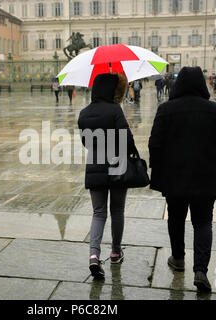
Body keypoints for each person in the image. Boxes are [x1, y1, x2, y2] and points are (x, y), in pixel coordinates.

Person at [148, 67, 216, 292]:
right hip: (206, 177)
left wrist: (157, 171)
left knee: (176, 219)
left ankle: (178, 259)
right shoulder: (215, 110)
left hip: (174, 177)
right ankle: (200, 271)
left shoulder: (165, 109)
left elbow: (154, 144)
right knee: (203, 222)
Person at [78, 73, 138, 280]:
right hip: (117, 163)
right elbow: (126, 139)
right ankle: (115, 252)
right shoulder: (115, 110)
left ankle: (94, 255)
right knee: (117, 210)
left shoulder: (84, 113)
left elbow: (86, 143)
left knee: (98, 212)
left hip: (94, 164)